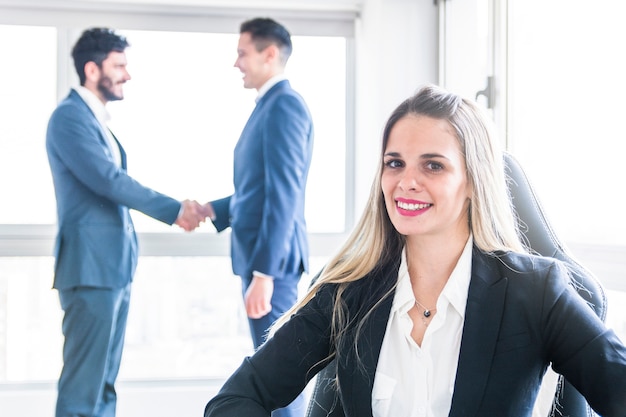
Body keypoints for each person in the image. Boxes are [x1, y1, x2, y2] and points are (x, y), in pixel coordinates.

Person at [204, 85, 626, 417]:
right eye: (395, 163)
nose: (406, 181)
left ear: (473, 182)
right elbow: (237, 398)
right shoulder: (349, 292)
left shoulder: (535, 292)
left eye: (433, 165)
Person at [46, 27, 211, 417]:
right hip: (90, 270)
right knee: (83, 388)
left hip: (111, 270)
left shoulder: (94, 120)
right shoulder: (69, 118)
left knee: (103, 383)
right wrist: (175, 210)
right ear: (91, 69)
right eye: (119, 65)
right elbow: (108, 181)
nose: (127, 74)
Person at [204, 17, 313, 417]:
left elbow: (284, 194)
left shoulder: (284, 105)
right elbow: (259, 192)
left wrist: (264, 274)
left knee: (277, 378)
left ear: (270, 54)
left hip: (274, 266)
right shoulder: (269, 106)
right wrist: (213, 209)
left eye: (242, 53)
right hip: (266, 263)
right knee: (270, 371)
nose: (237, 63)